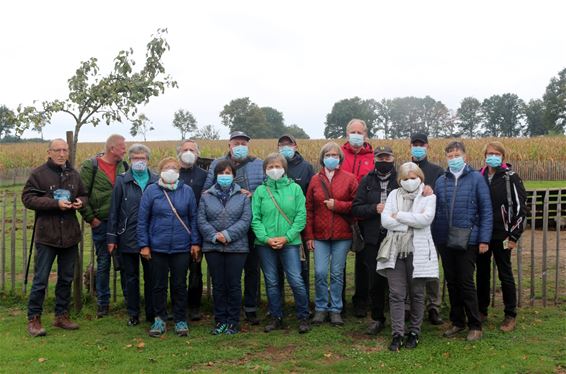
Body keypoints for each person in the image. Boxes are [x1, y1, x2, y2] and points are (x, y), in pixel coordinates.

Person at [22, 139, 87, 337]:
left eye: (64, 150)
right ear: (49, 152)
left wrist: (79, 202)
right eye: (57, 150)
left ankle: (61, 316)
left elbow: (84, 195)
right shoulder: (38, 174)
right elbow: (28, 198)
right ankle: (34, 319)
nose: (61, 153)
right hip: (47, 235)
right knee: (41, 279)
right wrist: (54, 204)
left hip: (69, 235)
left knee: (66, 278)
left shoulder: (74, 174)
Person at [432, 141, 493, 342]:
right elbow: (436, 210)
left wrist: (483, 239)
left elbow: (486, 210)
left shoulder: (476, 179)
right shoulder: (441, 181)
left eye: (457, 155)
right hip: (445, 239)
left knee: (466, 282)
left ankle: (475, 324)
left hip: (468, 239)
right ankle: (457, 321)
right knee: (452, 281)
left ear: (465, 157)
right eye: (450, 156)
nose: (453, 159)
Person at [204, 131, 264, 325]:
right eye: (236, 142)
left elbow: (266, 189)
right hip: (221, 226)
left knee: (252, 268)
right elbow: (207, 189)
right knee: (227, 275)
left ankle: (251, 306)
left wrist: (252, 194)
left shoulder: (258, 163)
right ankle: (227, 312)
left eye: (243, 143)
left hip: (250, 223)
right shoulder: (217, 164)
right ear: (229, 145)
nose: (240, 146)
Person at [377, 162, 439, 351]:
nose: (410, 181)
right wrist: (410, 220)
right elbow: (386, 221)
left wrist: (399, 216)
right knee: (396, 293)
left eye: (413, 178)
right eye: (405, 178)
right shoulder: (394, 195)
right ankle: (397, 333)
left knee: (417, 293)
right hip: (395, 251)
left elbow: (425, 220)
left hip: (417, 251)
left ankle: (414, 331)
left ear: (420, 177)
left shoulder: (428, 195)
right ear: (400, 180)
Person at [137, 157, 201, 337]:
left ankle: (180, 319)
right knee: (158, 285)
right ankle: (160, 318)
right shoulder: (151, 191)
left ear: (179, 172)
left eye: (174, 168)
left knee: (179, 284)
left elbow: (193, 218)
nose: (171, 170)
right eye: (167, 167)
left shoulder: (187, 191)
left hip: (181, 246)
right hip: (157, 247)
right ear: (161, 170)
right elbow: (142, 220)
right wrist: (144, 245)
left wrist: (195, 242)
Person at [252, 153, 310, 334]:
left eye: (277, 166)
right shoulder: (260, 192)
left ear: (284, 169)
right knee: (271, 281)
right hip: (265, 244)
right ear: (265, 170)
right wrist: (266, 238)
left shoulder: (295, 189)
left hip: (290, 243)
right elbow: (255, 219)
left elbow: (301, 216)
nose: (274, 170)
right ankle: (276, 316)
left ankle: (303, 316)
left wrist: (287, 237)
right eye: (270, 167)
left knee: (296, 279)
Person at [306, 142, 358, 326]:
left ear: (340, 158)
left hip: (342, 235)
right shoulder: (314, 180)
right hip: (319, 235)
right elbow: (309, 209)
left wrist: (338, 205)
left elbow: (355, 205)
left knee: (336, 273)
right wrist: (309, 236)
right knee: (320, 272)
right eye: (328, 154)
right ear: (322, 158)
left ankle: (336, 309)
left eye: (335, 155)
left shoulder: (350, 179)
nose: (331, 157)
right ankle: (320, 308)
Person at [476, 141, 527, 332]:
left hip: (503, 234)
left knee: (505, 273)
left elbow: (521, 209)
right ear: (484, 156)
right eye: (490, 153)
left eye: (497, 153)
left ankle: (510, 314)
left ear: (503, 157)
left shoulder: (511, 178)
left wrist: (514, 235)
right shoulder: (479, 176)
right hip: (483, 233)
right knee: (481, 273)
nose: (493, 156)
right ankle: (481, 310)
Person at [198, 159, 252, 335]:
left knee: (234, 285)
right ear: (216, 176)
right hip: (213, 247)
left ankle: (233, 321)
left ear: (234, 176)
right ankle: (220, 320)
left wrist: (227, 235)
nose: (224, 176)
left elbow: (245, 220)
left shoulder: (243, 196)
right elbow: (201, 220)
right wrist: (214, 236)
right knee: (218, 285)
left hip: (237, 248)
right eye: (221, 173)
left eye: (228, 173)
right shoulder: (206, 196)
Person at [107, 144, 157, 326]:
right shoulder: (122, 181)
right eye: (135, 158)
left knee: (152, 277)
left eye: (142, 158)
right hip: (127, 235)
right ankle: (133, 313)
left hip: (151, 238)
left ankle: (152, 312)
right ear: (130, 160)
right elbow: (114, 210)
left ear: (148, 160)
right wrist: (112, 237)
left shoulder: (156, 180)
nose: (139, 162)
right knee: (130, 278)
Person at [79, 134, 128, 317]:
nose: (125, 150)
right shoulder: (91, 166)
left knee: (124, 261)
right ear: (112, 148)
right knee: (104, 262)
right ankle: (103, 303)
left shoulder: (123, 166)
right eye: (122, 147)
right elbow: (81, 194)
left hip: (121, 223)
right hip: (102, 221)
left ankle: (129, 301)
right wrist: (92, 219)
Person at [352, 145, 398, 335]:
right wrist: (374, 208)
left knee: (397, 279)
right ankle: (378, 317)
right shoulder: (367, 180)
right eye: (380, 158)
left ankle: (398, 317)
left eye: (387, 158)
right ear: (375, 159)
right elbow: (356, 208)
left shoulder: (401, 179)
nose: (384, 162)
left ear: (393, 159)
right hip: (373, 237)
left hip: (396, 236)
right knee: (375, 279)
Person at [409, 133, 445, 325]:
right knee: (411, 267)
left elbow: (442, 195)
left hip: (430, 228)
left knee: (431, 269)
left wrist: (433, 192)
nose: (418, 147)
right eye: (414, 144)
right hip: (409, 228)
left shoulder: (437, 171)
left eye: (421, 144)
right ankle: (412, 305)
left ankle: (433, 306)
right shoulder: (406, 169)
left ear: (427, 147)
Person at [341, 119, 374, 318]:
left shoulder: (372, 156)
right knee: (339, 262)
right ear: (347, 134)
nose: (356, 135)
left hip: (364, 216)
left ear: (365, 134)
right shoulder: (338, 154)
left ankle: (362, 301)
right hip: (341, 215)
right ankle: (339, 302)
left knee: (364, 262)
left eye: (359, 132)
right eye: (352, 131)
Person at [277, 134, 315, 304]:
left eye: (289, 144)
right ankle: (277, 304)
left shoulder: (306, 167)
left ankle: (304, 303)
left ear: (295, 146)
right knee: (276, 270)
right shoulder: (275, 166)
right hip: (276, 227)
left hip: (298, 227)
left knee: (301, 268)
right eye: (282, 144)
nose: (285, 147)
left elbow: (311, 197)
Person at [177, 139, 208, 321]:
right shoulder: (173, 173)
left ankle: (194, 306)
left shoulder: (204, 176)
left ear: (197, 154)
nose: (188, 152)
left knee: (195, 269)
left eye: (192, 150)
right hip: (177, 228)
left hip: (198, 227)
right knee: (177, 271)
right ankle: (178, 305)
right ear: (179, 153)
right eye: (185, 149)